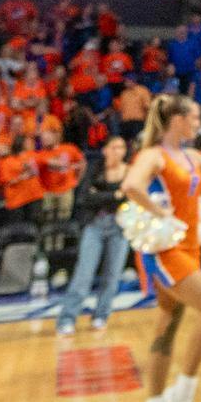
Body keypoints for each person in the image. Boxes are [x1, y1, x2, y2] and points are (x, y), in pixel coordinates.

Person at [122, 93, 201, 402]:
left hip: (191, 247)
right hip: (167, 250)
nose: (198, 123)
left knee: (166, 328)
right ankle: (180, 400)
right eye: (194, 117)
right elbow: (131, 186)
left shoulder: (194, 157)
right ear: (178, 120)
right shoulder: (153, 155)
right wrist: (160, 213)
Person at [53, 135, 132, 337]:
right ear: (105, 150)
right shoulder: (95, 169)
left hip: (120, 227)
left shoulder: (130, 171)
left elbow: (129, 197)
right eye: (114, 147)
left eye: (121, 147)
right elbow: (85, 197)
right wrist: (114, 196)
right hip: (95, 225)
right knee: (84, 274)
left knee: (112, 275)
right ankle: (67, 318)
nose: (118, 151)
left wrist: (100, 195)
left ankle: (101, 315)